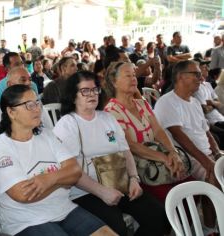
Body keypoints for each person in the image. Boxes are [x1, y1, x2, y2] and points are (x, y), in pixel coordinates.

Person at [0, 84, 115, 236]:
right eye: (29, 105)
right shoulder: (1, 145)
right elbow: (23, 195)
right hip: (26, 220)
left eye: (37, 103)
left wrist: (47, 179)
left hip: (64, 209)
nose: (37, 109)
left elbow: (75, 172)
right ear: (11, 112)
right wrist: (62, 179)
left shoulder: (46, 136)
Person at [53, 71, 168, 236]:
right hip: (86, 192)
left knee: (159, 216)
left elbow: (125, 151)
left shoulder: (107, 118)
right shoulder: (67, 125)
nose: (92, 94)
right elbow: (70, 172)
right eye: (85, 91)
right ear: (73, 96)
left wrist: (134, 179)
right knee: (116, 227)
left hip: (120, 183)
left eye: (94, 90)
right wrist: (102, 192)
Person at [104, 62, 192, 203]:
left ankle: (188, 224)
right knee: (174, 198)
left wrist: (172, 152)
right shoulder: (111, 111)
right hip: (141, 169)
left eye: (134, 75)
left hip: (159, 159)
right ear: (114, 82)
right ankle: (177, 224)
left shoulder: (141, 103)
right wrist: (164, 158)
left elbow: (158, 130)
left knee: (192, 186)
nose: (134, 79)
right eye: (128, 76)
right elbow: (130, 145)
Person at [154, 60, 221, 233]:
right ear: (181, 77)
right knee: (213, 178)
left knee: (217, 168)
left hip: (204, 153)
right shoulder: (167, 102)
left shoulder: (194, 102)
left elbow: (206, 132)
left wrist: (217, 152)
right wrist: (207, 162)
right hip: (186, 157)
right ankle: (209, 228)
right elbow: (181, 138)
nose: (201, 78)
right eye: (196, 74)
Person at [0, 66, 52, 140]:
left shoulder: (37, 104)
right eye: (23, 80)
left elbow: (49, 129)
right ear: (10, 85)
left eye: (30, 79)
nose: (28, 83)